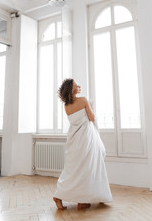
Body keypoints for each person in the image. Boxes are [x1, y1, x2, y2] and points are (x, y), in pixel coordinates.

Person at [53, 78, 113, 210]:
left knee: (73, 170)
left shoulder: (66, 106)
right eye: (76, 85)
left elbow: (75, 122)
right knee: (86, 169)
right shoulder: (84, 100)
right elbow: (92, 118)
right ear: (72, 89)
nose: (79, 86)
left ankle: (65, 197)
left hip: (74, 140)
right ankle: (80, 200)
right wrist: (90, 107)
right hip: (86, 139)